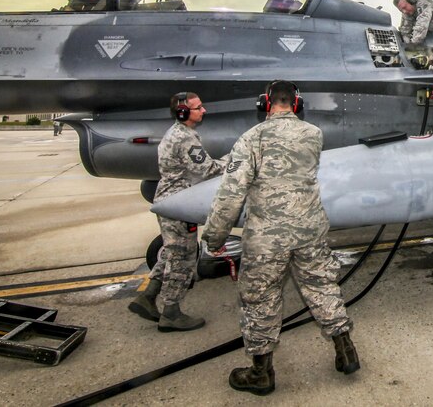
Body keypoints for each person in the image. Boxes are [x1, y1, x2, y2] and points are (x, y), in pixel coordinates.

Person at [203, 80, 358, 396]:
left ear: (265, 104)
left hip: (268, 236)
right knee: (321, 285)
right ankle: (346, 351)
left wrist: (215, 236)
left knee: (260, 296)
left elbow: (231, 193)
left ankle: (261, 374)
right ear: (297, 105)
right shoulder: (313, 134)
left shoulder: (252, 138)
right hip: (309, 228)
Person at [128, 92, 225, 331]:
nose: (203, 111)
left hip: (170, 198)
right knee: (183, 257)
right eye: (198, 108)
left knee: (172, 252)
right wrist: (231, 162)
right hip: (180, 202)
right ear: (183, 113)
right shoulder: (184, 138)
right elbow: (207, 171)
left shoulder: (177, 133)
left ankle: (147, 297)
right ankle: (171, 312)